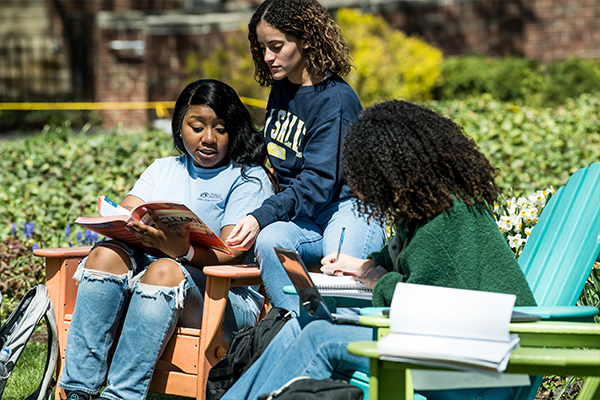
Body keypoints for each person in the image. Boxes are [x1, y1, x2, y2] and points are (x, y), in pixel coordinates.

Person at [220, 100, 537, 400]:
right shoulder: (428, 208)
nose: (364, 186)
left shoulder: (444, 218)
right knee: (301, 327)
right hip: (456, 351)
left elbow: (424, 303)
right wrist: (364, 266)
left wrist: (377, 280)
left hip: (483, 371)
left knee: (321, 339)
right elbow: (403, 257)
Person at [59, 79, 275, 400]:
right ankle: (77, 390)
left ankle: (121, 396)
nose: (208, 138)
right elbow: (128, 214)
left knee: (164, 269)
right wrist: (125, 228)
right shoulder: (163, 169)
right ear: (180, 126)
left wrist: (183, 251)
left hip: (225, 299)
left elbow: (231, 252)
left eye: (220, 128)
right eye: (197, 126)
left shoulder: (247, 178)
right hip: (155, 287)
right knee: (105, 255)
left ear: (234, 131)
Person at [226, 0, 386, 313]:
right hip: (306, 217)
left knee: (340, 270)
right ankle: (294, 326)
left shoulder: (336, 100)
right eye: (262, 48)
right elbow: (279, 148)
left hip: (347, 208)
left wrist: (262, 214)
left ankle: (346, 341)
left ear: (306, 39)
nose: (268, 57)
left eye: (276, 46)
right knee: (271, 240)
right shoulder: (283, 87)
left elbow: (319, 181)